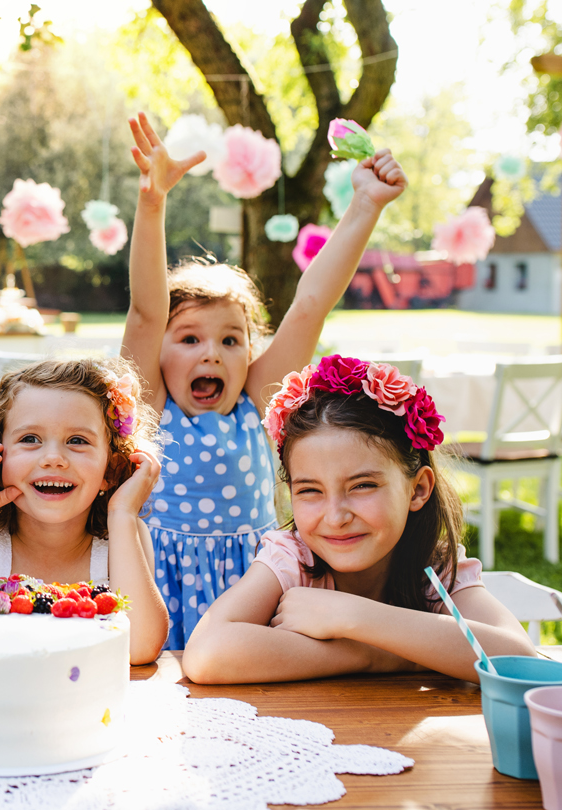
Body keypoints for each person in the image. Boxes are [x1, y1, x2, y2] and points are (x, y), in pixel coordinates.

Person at [121, 112, 408, 647]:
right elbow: (143, 311)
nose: (213, 353)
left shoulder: (255, 402)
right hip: (160, 597)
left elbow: (310, 306)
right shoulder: (152, 407)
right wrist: (152, 201)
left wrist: (365, 204)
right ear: (159, 348)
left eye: (231, 340)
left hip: (254, 594)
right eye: (189, 338)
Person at [183, 358, 535, 683]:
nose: (335, 517)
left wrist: (352, 616)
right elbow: (206, 654)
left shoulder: (434, 566)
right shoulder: (292, 560)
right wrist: (376, 655)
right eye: (310, 491)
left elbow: (520, 660)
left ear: (418, 489)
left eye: (363, 485)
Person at [0, 358, 169, 665]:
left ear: (111, 468)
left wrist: (123, 514)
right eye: (30, 439)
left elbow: (139, 648)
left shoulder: (123, 536)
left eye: (77, 440)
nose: (53, 458)